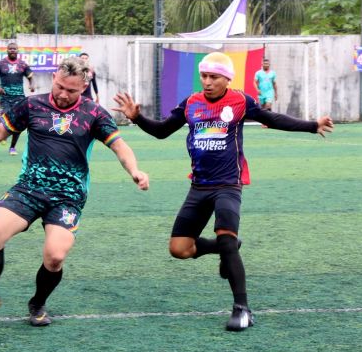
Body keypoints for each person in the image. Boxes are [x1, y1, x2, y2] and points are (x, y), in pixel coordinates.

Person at [113, 52, 333, 332]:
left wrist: (312, 126)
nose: (207, 82)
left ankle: (242, 309)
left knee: (226, 237)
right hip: (199, 185)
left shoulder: (240, 101)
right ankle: (226, 249)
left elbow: (273, 118)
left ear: (227, 79)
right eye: (204, 76)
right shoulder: (191, 103)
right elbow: (162, 131)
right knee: (179, 249)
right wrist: (138, 117)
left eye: (214, 77)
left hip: (229, 184)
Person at [0, 57, 149, 327]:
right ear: (54, 77)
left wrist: (135, 170)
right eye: (60, 87)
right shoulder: (32, 105)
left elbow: (120, 147)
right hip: (29, 188)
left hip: (68, 197)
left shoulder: (94, 113)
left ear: (83, 87)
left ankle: (38, 302)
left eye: (72, 90)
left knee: (55, 256)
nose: (64, 94)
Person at [0, 42, 35, 155]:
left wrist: (32, 85)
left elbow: (31, 77)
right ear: (7, 50)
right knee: (4, 117)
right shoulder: (0, 64)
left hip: (19, 97)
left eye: (14, 49)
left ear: (18, 50)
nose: (12, 50)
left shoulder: (23, 64)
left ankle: (12, 147)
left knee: (17, 122)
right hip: (5, 97)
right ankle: (4, 135)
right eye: (10, 49)